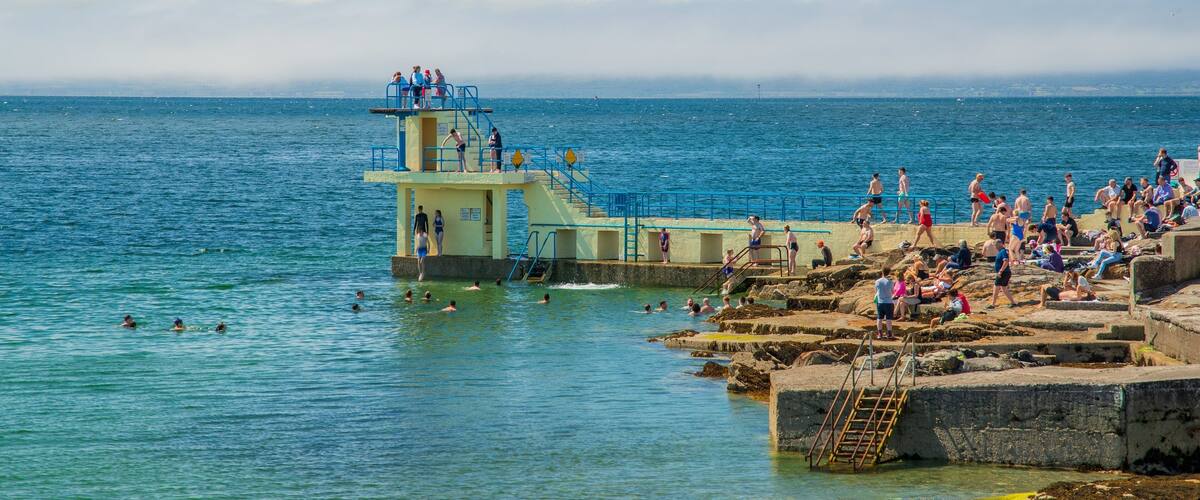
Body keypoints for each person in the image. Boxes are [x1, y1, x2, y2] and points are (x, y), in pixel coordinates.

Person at [990, 236, 1016, 308]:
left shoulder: (1003, 251)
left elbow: (1006, 261)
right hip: (1005, 272)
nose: (995, 247)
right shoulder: (1001, 252)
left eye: (996, 245)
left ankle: (993, 304)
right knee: (1004, 288)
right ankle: (1013, 302)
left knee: (996, 287)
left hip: (1003, 273)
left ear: (1000, 244)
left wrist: (1000, 271)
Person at [874, 268, 895, 340]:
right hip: (888, 302)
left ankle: (880, 333)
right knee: (888, 319)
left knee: (879, 318)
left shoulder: (877, 281)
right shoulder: (890, 282)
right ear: (889, 273)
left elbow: (876, 291)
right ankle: (889, 333)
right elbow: (893, 291)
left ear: (882, 272)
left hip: (880, 302)